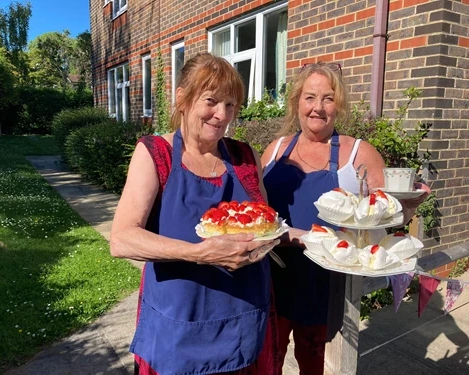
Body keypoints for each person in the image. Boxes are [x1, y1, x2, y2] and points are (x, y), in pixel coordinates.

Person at [110, 53, 280, 375]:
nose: (222, 115)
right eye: (211, 101)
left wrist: (306, 237)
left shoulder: (245, 156)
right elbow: (122, 239)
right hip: (180, 326)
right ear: (182, 99)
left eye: (230, 105)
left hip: (244, 319)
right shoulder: (155, 153)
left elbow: (266, 226)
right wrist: (199, 254)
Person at [261, 61, 430, 374]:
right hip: (272, 276)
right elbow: (258, 212)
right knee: (267, 360)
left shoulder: (359, 154)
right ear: (296, 101)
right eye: (310, 97)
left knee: (313, 363)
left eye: (328, 98)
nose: (318, 108)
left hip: (324, 283)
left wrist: (410, 205)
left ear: (338, 105)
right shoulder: (274, 150)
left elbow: (389, 215)